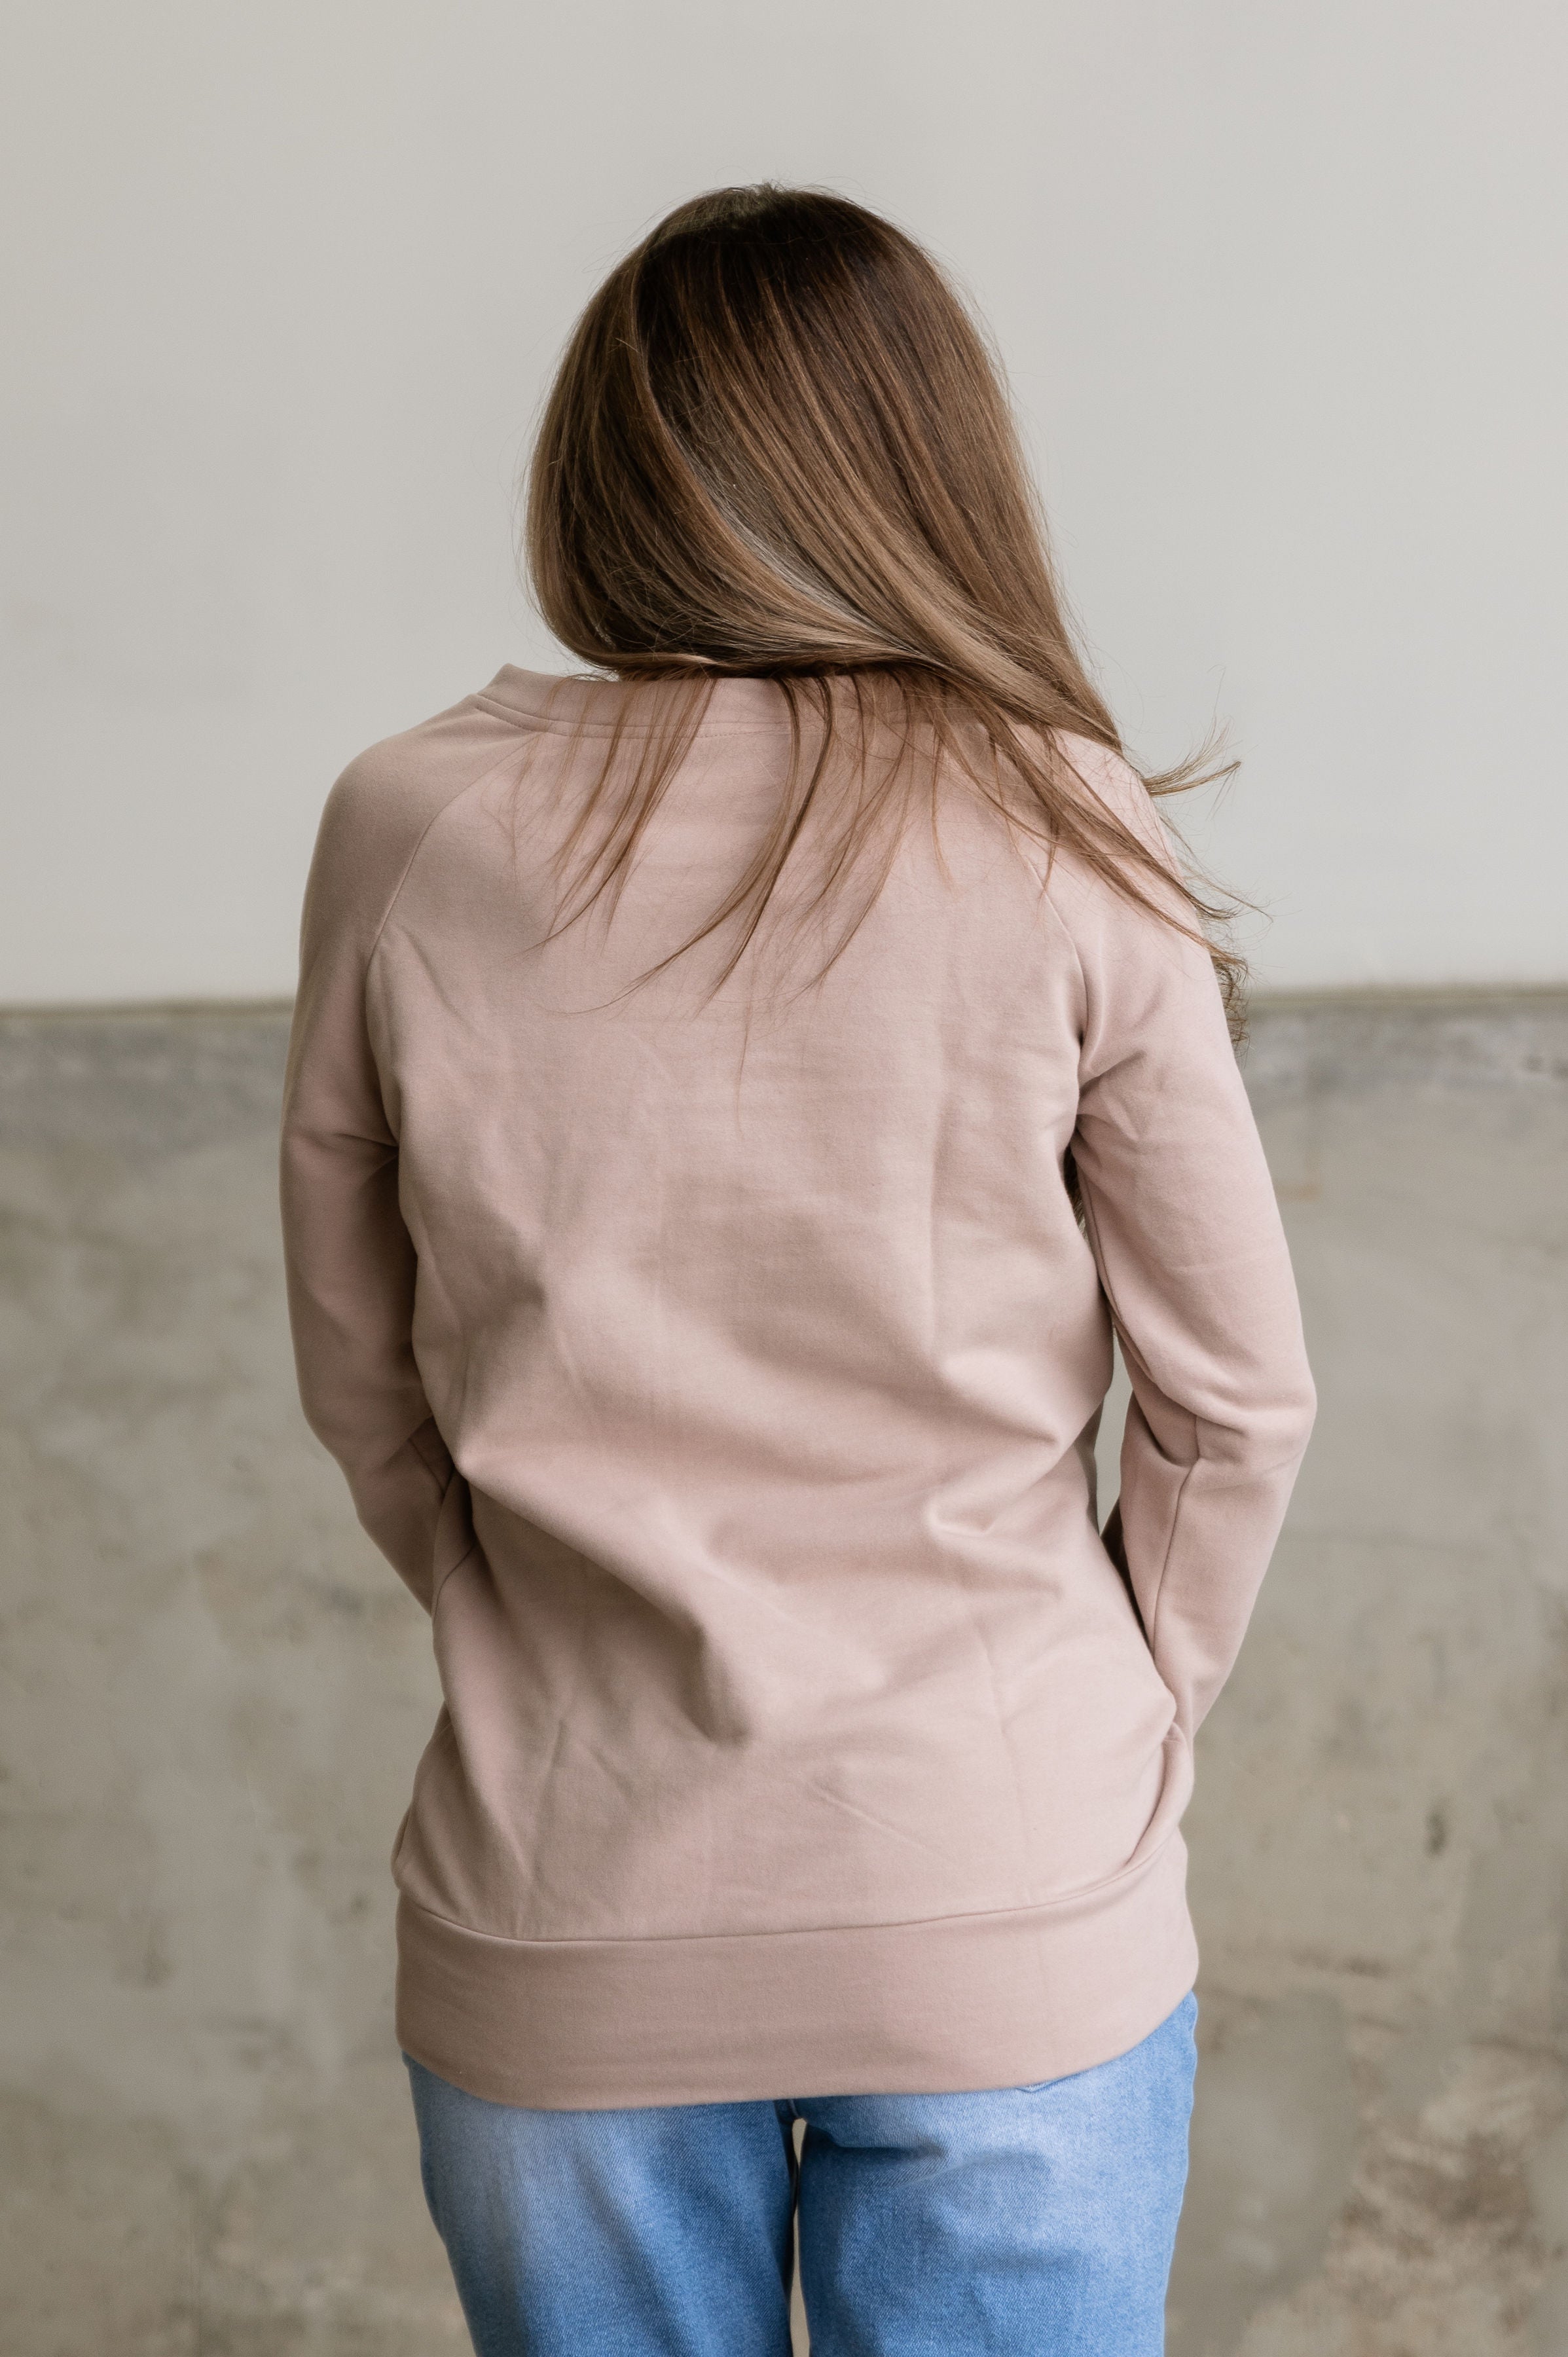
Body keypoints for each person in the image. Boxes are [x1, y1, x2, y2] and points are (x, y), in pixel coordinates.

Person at [279, 184, 1315, 2357]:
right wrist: (1119, 1706)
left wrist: (515, 1614)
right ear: (932, 472)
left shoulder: (410, 824)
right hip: (1003, 1880)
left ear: (596, 469)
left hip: (565, 1886)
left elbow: (364, 1378)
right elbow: (1233, 1403)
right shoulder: (1062, 821)